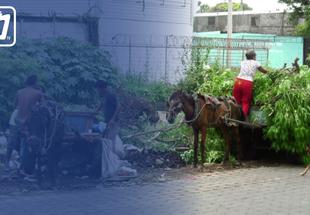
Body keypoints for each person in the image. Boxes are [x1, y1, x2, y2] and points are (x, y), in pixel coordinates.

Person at [5, 75, 44, 170]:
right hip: (30, 121)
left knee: (11, 142)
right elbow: (43, 107)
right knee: (28, 143)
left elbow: (15, 105)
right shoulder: (38, 93)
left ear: (26, 82)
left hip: (17, 120)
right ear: (35, 83)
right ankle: (24, 166)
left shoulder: (19, 92)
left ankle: (6, 162)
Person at [233, 50, 268, 122]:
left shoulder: (242, 62)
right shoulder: (256, 63)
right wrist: (270, 72)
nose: (256, 57)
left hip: (238, 81)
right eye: (255, 56)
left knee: (236, 100)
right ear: (253, 57)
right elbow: (263, 70)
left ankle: (234, 116)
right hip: (247, 82)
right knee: (245, 101)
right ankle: (244, 118)